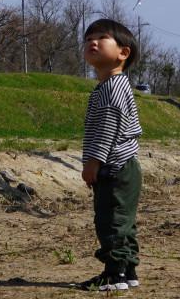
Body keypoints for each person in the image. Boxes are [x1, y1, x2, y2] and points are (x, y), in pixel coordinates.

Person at [75, 18, 142, 292]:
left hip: (114, 167)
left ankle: (114, 275)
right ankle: (128, 270)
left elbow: (107, 130)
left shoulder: (112, 88)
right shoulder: (112, 85)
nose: (92, 42)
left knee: (111, 221)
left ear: (123, 53)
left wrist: (93, 162)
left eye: (101, 38)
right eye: (88, 38)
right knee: (122, 221)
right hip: (123, 167)